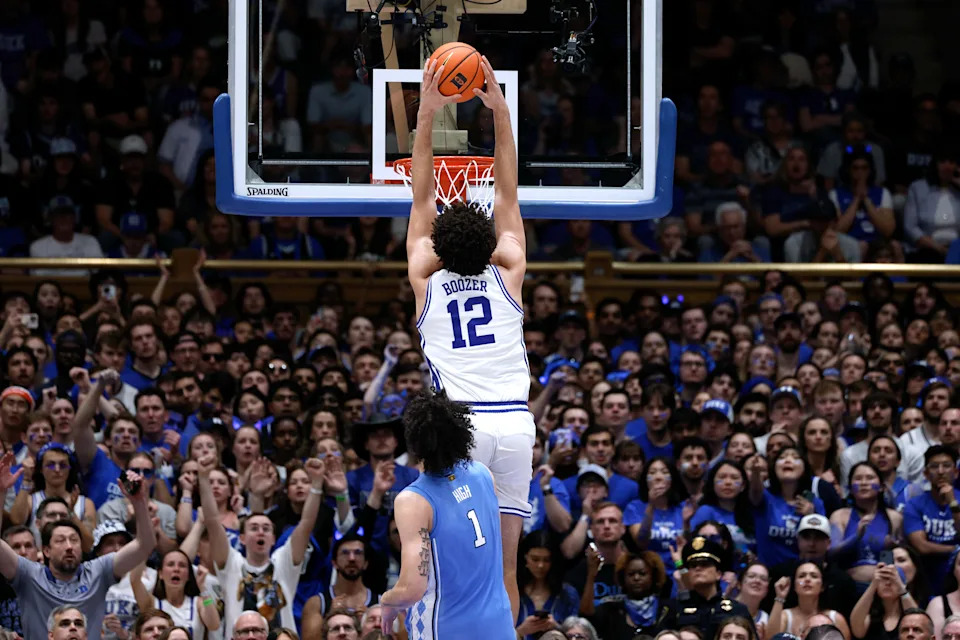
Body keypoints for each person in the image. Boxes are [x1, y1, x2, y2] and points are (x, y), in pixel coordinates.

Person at [405, 56, 531, 618]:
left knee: (447, 565)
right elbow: (507, 192)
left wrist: (427, 115)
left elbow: (422, 198)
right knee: (506, 569)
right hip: (516, 425)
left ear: (436, 248)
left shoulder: (424, 277)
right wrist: (500, 111)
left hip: (462, 428)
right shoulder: (509, 269)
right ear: (488, 243)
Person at [378, 392, 513, 639]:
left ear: (413, 442)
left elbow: (411, 588)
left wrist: (387, 602)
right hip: (499, 623)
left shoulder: (414, 501)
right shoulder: (483, 474)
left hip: (446, 626)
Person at [0, 451, 156, 640]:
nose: (69, 546)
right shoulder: (28, 575)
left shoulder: (98, 571)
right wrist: (1, 492)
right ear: (46, 551)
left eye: (74, 540)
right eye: (60, 540)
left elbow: (145, 545)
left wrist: (139, 501)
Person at [658, 536, 754, 640]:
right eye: (693, 565)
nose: (698, 568)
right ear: (688, 573)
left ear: (718, 574)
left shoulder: (737, 610)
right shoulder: (675, 607)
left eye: (705, 564)